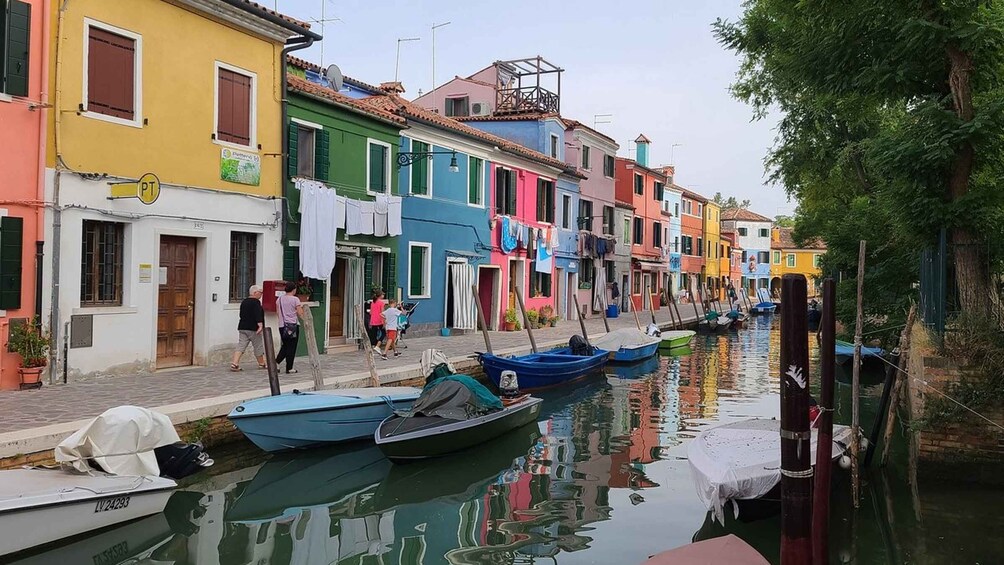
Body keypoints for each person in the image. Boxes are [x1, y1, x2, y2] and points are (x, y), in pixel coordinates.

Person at [231, 285, 265, 371]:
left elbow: (241, 314)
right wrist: (260, 325)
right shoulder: (256, 302)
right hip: (253, 328)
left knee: (241, 345)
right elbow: (257, 314)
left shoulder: (244, 301)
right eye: (260, 292)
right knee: (258, 346)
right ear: (254, 293)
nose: (261, 294)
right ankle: (261, 363)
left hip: (242, 327)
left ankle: (235, 363)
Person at [275, 281, 304, 374]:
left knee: (285, 345)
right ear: (294, 289)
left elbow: (278, 313)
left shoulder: (279, 299)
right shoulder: (295, 299)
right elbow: (300, 313)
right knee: (291, 347)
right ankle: (289, 367)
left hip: (282, 325)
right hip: (292, 326)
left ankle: (276, 363)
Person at [368, 290, 386, 354]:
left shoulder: (373, 302)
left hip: (373, 320)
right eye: (383, 295)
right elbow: (382, 313)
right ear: (380, 296)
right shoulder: (381, 303)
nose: (383, 296)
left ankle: (374, 345)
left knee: (374, 333)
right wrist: (384, 321)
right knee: (384, 333)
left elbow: (371, 312)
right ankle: (378, 344)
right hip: (379, 320)